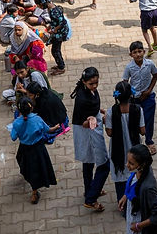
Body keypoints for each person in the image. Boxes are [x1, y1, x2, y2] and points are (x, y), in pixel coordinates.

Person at [71, 67, 110, 213]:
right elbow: (85, 123)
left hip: (91, 126)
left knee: (88, 162)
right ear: (84, 82)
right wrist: (100, 120)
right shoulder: (82, 99)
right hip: (87, 131)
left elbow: (93, 108)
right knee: (104, 164)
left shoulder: (90, 92)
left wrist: (99, 111)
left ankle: (90, 190)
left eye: (96, 83)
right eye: (91, 84)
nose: (94, 86)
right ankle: (91, 199)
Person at [11, 97, 58, 204]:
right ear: (31, 107)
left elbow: (13, 137)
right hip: (38, 148)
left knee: (29, 168)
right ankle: (35, 191)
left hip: (24, 148)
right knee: (38, 168)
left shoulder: (17, 123)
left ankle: (34, 191)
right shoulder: (37, 119)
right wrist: (55, 127)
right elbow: (48, 130)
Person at [106, 81, 146, 203]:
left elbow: (109, 133)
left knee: (120, 175)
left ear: (116, 96)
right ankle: (134, 200)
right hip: (134, 149)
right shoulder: (138, 109)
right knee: (134, 173)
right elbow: (143, 131)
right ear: (130, 95)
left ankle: (121, 202)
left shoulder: (111, 112)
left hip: (118, 150)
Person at [118, 144, 157, 233]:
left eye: (131, 163)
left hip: (141, 225)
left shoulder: (148, 189)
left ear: (142, 164)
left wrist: (138, 226)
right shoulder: (140, 170)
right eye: (127, 161)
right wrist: (126, 195)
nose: (127, 165)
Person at [123, 40, 157, 155]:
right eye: (134, 52)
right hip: (134, 99)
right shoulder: (129, 68)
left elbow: (155, 76)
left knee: (149, 119)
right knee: (134, 121)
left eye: (140, 51)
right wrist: (130, 94)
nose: (138, 54)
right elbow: (125, 82)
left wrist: (148, 91)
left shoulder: (149, 64)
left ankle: (149, 141)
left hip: (148, 98)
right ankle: (135, 143)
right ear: (131, 55)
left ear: (144, 51)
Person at [41, 4, 71, 75]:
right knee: (56, 51)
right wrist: (50, 27)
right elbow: (55, 22)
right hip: (59, 34)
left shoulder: (53, 12)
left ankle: (61, 68)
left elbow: (62, 23)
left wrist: (54, 30)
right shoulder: (54, 9)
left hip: (59, 35)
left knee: (55, 51)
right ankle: (60, 65)